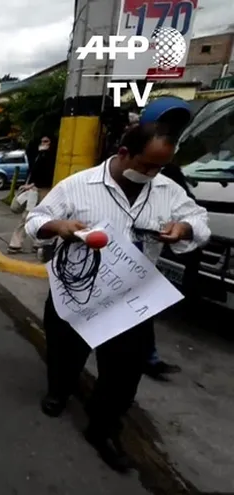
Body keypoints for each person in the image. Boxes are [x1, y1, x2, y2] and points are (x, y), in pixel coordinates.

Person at [25, 122, 210, 472]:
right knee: (65, 355)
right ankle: (59, 392)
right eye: (146, 165)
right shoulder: (78, 186)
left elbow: (199, 222)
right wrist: (58, 227)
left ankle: (103, 428)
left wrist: (183, 229)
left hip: (131, 299)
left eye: (160, 167)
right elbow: (36, 219)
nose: (152, 173)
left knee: (125, 372)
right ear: (124, 153)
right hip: (76, 293)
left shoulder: (167, 190)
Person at [140, 97, 196, 381]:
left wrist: (182, 226)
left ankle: (147, 357)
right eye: (163, 127)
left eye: (174, 131)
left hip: (147, 255)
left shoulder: (171, 173)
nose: (168, 135)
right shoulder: (120, 162)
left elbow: (192, 211)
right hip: (110, 255)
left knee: (142, 309)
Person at [8, 136, 55, 254]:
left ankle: (36, 242)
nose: (43, 144)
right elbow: (34, 173)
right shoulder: (38, 156)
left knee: (41, 217)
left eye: (46, 142)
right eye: (42, 141)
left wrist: (31, 184)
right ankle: (17, 243)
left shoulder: (52, 158)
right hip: (35, 191)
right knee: (27, 216)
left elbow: (48, 176)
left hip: (45, 191)